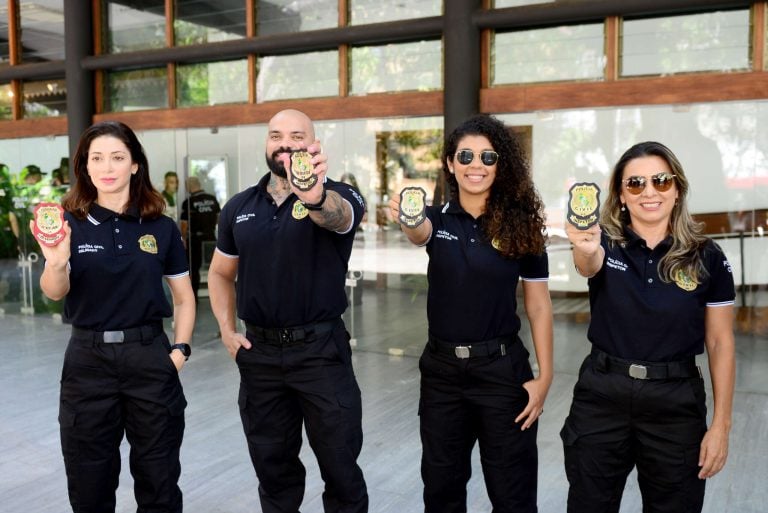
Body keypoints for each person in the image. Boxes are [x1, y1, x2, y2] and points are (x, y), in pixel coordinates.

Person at [389, 114, 554, 513]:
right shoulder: (436, 219)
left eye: (487, 156)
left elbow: (538, 304)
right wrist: (409, 220)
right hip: (442, 375)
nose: (475, 165)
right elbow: (418, 233)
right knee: (442, 490)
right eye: (465, 156)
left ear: (501, 164)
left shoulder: (523, 227)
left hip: (501, 373)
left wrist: (545, 377)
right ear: (449, 163)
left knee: (512, 493)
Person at [560, 141, 735, 513]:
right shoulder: (605, 242)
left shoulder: (708, 257)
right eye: (635, 184)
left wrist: (720, 426)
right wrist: (586, 247)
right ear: (621, 196)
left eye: (660, 180)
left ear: (677, 189)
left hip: (675, 403)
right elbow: (588, 263)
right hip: (602, 396)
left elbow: (720, 342)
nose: (649, 191)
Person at [208, 108, 368, 513]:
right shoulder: (239, 207)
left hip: (321, 354)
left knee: (341, 468)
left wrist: (313, 196)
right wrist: (227, 331)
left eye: (297, 136)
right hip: (259, 356)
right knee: (273, 472)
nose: (285, 143)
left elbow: (338, 217)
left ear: (313, 145)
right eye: (275, 135)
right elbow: (221, 274)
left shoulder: (341, 194)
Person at [33, 120, 195, 513]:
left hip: (149, 357)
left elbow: (184, 298)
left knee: (159, 481)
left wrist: (180, 351)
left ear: (135, 164)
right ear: (85, 167)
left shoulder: (161, 226)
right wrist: (56, 262)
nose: (107, 167)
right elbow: (54, 292)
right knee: (89, 484)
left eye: (118, 157)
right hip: (88, 362)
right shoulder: (68, 223)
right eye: (97, 158)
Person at [179, 175, 221, 303]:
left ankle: (194, 298)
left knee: (194, 269)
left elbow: (184, 224)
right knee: (214, 269)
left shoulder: (188, 202)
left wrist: (183, 239)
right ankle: (218, 297)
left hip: (195, 240)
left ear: (189, 187)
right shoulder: (212, 199)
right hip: (210, 238)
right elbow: (219, 218)